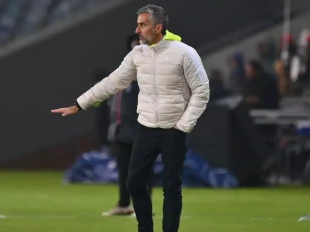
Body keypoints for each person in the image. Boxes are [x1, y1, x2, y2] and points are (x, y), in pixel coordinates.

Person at [52, 4, 210, 232]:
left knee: (171, 187)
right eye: (137, 24)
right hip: (145, 129)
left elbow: (202, 90)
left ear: (158, 27)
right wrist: (80, 104)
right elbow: (112, 82)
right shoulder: (137, 54)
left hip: (174, 130)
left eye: (142, 24)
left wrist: (184, 125)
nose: (137, 30)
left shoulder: (185, 53)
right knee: (134, 183)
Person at [102, 34, 154, 216]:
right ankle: (124, 205)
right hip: (122, 130)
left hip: (142, 129)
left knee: (144, 170)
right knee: (124, 170)